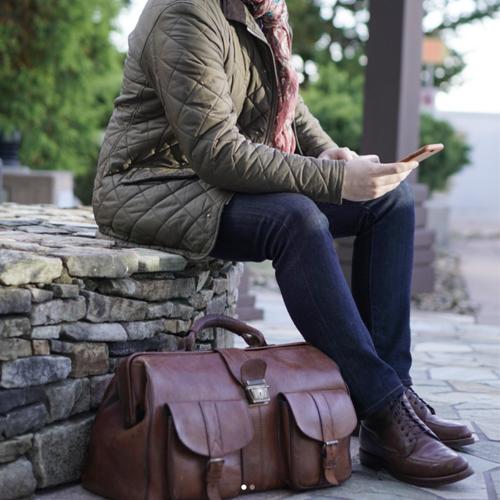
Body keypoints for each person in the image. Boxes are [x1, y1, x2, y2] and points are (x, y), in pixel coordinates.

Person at [92, 0, 474, 487]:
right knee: (297, 219)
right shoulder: (185, 13)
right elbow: (217, 151)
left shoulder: (262, 11)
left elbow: (283, 99)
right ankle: (382, 407)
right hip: (151, 187)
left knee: (389, 201)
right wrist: (336, 180)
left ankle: (396, 392)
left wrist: (328, 152)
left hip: (210, 182)